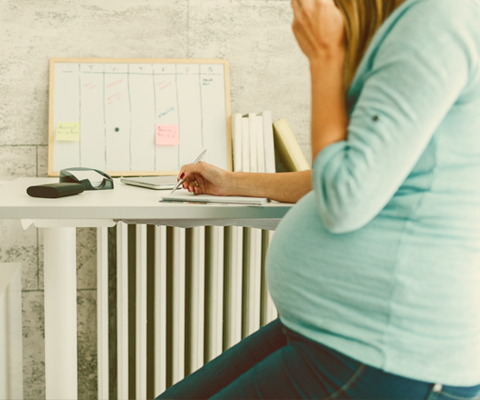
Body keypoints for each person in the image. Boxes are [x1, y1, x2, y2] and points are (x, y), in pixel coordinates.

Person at [156, 0, 480, 398]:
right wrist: (233, 182)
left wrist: (326, 57)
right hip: (337, 330)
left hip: (385, 348)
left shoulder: (438, 21)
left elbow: (346, 196)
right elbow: (358, 173)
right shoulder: (424, 20)